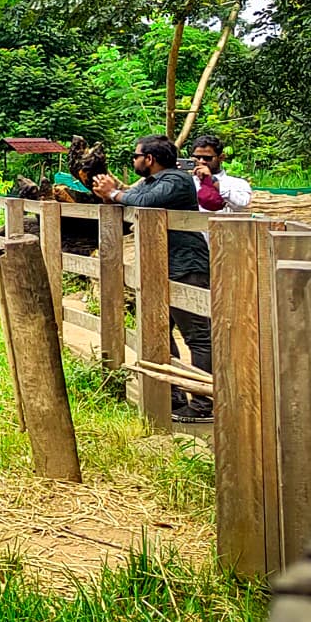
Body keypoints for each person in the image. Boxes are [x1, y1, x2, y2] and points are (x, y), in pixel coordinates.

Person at [91, 136, 213, 423]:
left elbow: (144, 203)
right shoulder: (151, 183)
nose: (133, 161)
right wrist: (111, 193)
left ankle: (204, 403)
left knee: (197, 336)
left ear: (149, 159)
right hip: (160, 267)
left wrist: (115, 194)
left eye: (136, 156)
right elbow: (132, 199)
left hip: (186, 267)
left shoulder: (176, 180)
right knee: (156, 331)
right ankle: (172, 396)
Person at [190, 134, 253, 214]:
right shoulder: (187, 181)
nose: (201, 161)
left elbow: (244, 205)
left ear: (221, 157)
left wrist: (214, 182)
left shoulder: (237, 183)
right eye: (197, 157)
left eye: (207, 158)